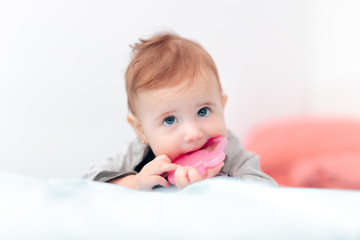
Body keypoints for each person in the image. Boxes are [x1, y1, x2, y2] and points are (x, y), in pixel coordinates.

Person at [83, 32, 276, 190]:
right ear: (141, 130)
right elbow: (88, 182)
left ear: (222, 106)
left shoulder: (229, 152)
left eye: (203, 111)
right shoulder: (137, 152)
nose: (193, 134)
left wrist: (213, 184)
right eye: (169, 120)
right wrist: (133, 183)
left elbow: (265, 191)